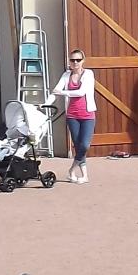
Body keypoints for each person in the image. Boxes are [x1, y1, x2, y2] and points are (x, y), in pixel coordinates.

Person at [46, 48, 95, 184]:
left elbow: (81, 92)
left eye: (78, 60)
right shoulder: (66, 75)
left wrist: (62, 92)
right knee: (78, 145)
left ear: (83, 61)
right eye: (72, 60)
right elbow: (55, 91)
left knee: (85, 145)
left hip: (87, 114)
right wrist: (45, 104)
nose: (75, 63)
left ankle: (72, 170)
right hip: (72, 115)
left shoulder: (88, 74)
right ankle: (84, 175)